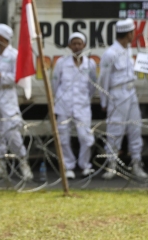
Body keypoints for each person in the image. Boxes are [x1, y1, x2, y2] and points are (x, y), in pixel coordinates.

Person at [98, 18, 148, 180]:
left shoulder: (128, 50)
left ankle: (136, 163)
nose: (133, 35)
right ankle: (111, 166)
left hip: (130, 93)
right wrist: (104, 101)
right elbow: (103, 79)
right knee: (115, 130)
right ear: (128, 33)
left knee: (135, 129)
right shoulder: (110, 53)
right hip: (117, 95)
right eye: (132, 32)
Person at [0, 24, 33, 181]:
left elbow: (18, 78)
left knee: (12, 131)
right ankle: (1, 167)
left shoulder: (14, 55)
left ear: (2, 38)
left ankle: (24, 165)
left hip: (7, 96)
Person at [52, 32, 97, 179]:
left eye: (79, 43)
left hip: (82, 106)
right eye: (74, 43)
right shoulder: (61, 63)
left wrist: (84, 99)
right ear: (69, 46)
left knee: (85, 137)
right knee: (63, 137)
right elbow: (55, 83)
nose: (77, 46)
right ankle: (68, 166)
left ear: (84, 45)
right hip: (63, 105)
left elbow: (92, 86)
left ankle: (85, 165)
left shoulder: (90, 64)